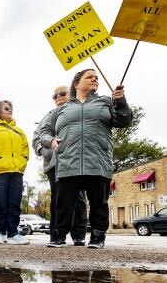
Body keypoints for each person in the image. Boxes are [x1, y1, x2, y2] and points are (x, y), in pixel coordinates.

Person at [40, 69, 132, 248]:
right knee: (63, 204)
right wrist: (50, 141)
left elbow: (123, 121)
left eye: (96, 78)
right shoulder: (61, 109)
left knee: (99, 203)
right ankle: (59, 236)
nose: (94, 79)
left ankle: (98, 237)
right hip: (68, 162)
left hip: (97, 161)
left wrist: (121, 102)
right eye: (89, 77)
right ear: (76, 84)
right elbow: (44, 131)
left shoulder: (106, 102)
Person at [32, 86, 88, 246]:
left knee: (78, 198)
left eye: (62, 93)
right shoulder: (48, 116)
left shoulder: (81, 111)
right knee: (57, 198)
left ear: (72, 93)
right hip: (55, 164)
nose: (58, 97)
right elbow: (37, 137)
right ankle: (56, 235)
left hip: (77, 161)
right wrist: (44, 151)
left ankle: (79, 235)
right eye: (54, 95)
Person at [0, 100, 30, 245]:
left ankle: (13, 233)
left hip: (16, 171)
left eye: (11, 108)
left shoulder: (19, 130)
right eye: (6, 108)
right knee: (0, 202)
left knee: (15, 203)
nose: (10, 110)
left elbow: (25, 148)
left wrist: (23, 160)